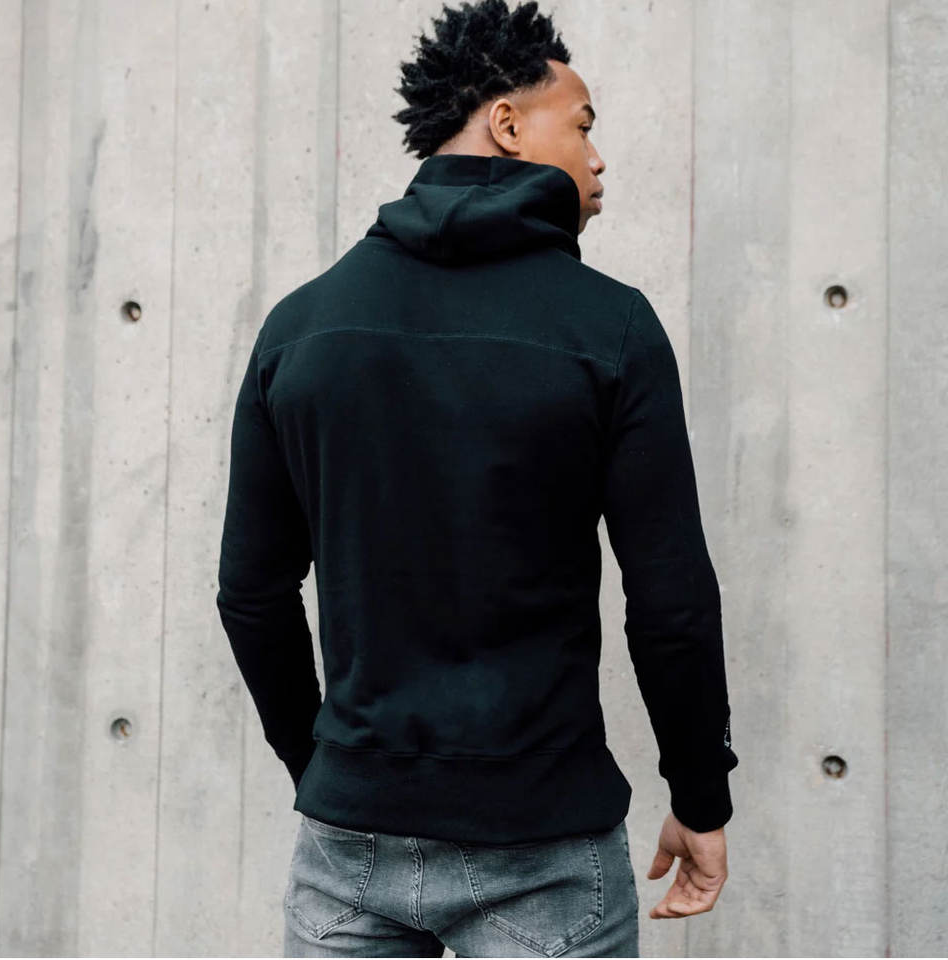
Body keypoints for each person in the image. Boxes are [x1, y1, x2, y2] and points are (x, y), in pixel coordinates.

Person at [216, 0, 739, 955]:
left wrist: (327, 771)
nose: (598, 158)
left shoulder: (302, 327)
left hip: (348, 840)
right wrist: (701, 797)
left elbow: (251, 593)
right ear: (507, 123)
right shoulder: (611, 328)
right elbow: (671, 603)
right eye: (581, 125)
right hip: (545, 847)